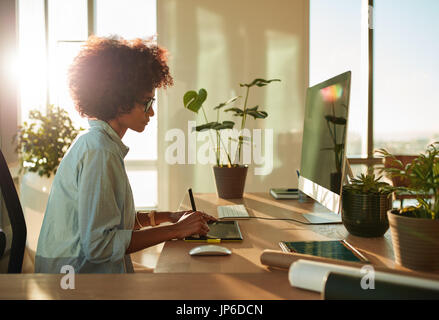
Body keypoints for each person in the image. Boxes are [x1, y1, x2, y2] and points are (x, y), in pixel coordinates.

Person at [35, 36, 216, 273]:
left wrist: (171, 217)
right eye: (146, 102)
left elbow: (111, 222)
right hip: (73, 283)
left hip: (76, 274)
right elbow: (99, 245)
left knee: (174, 277)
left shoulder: (98, 143)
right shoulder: (100, 152)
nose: (151, 112)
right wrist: (177, 231)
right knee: (181, 282)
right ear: (120, 103)